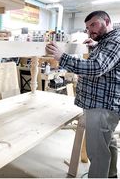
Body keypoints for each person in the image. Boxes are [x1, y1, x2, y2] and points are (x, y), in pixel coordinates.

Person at [46, 10, 120, 178]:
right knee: (108, 144)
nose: (90, 31)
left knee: (97, 153)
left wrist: (62, 57)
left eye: (93, 25)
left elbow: (97, 67)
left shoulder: (115, 41)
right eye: (87, 28)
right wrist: (96, 46)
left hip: (101, 107)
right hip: (102, 105)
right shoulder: (107, 41)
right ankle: (111, 175)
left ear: (107, 21)